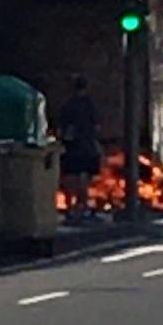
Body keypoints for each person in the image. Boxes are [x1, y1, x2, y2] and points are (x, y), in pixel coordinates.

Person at [59, 75, 101, 221]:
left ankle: (70, 207)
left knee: (70, 178)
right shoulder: (90, 106)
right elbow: (97, 127)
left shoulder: (68, 106)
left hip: (72, 147)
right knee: (84, 177)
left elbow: (63, 129)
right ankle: (82, 206)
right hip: (86, 146)